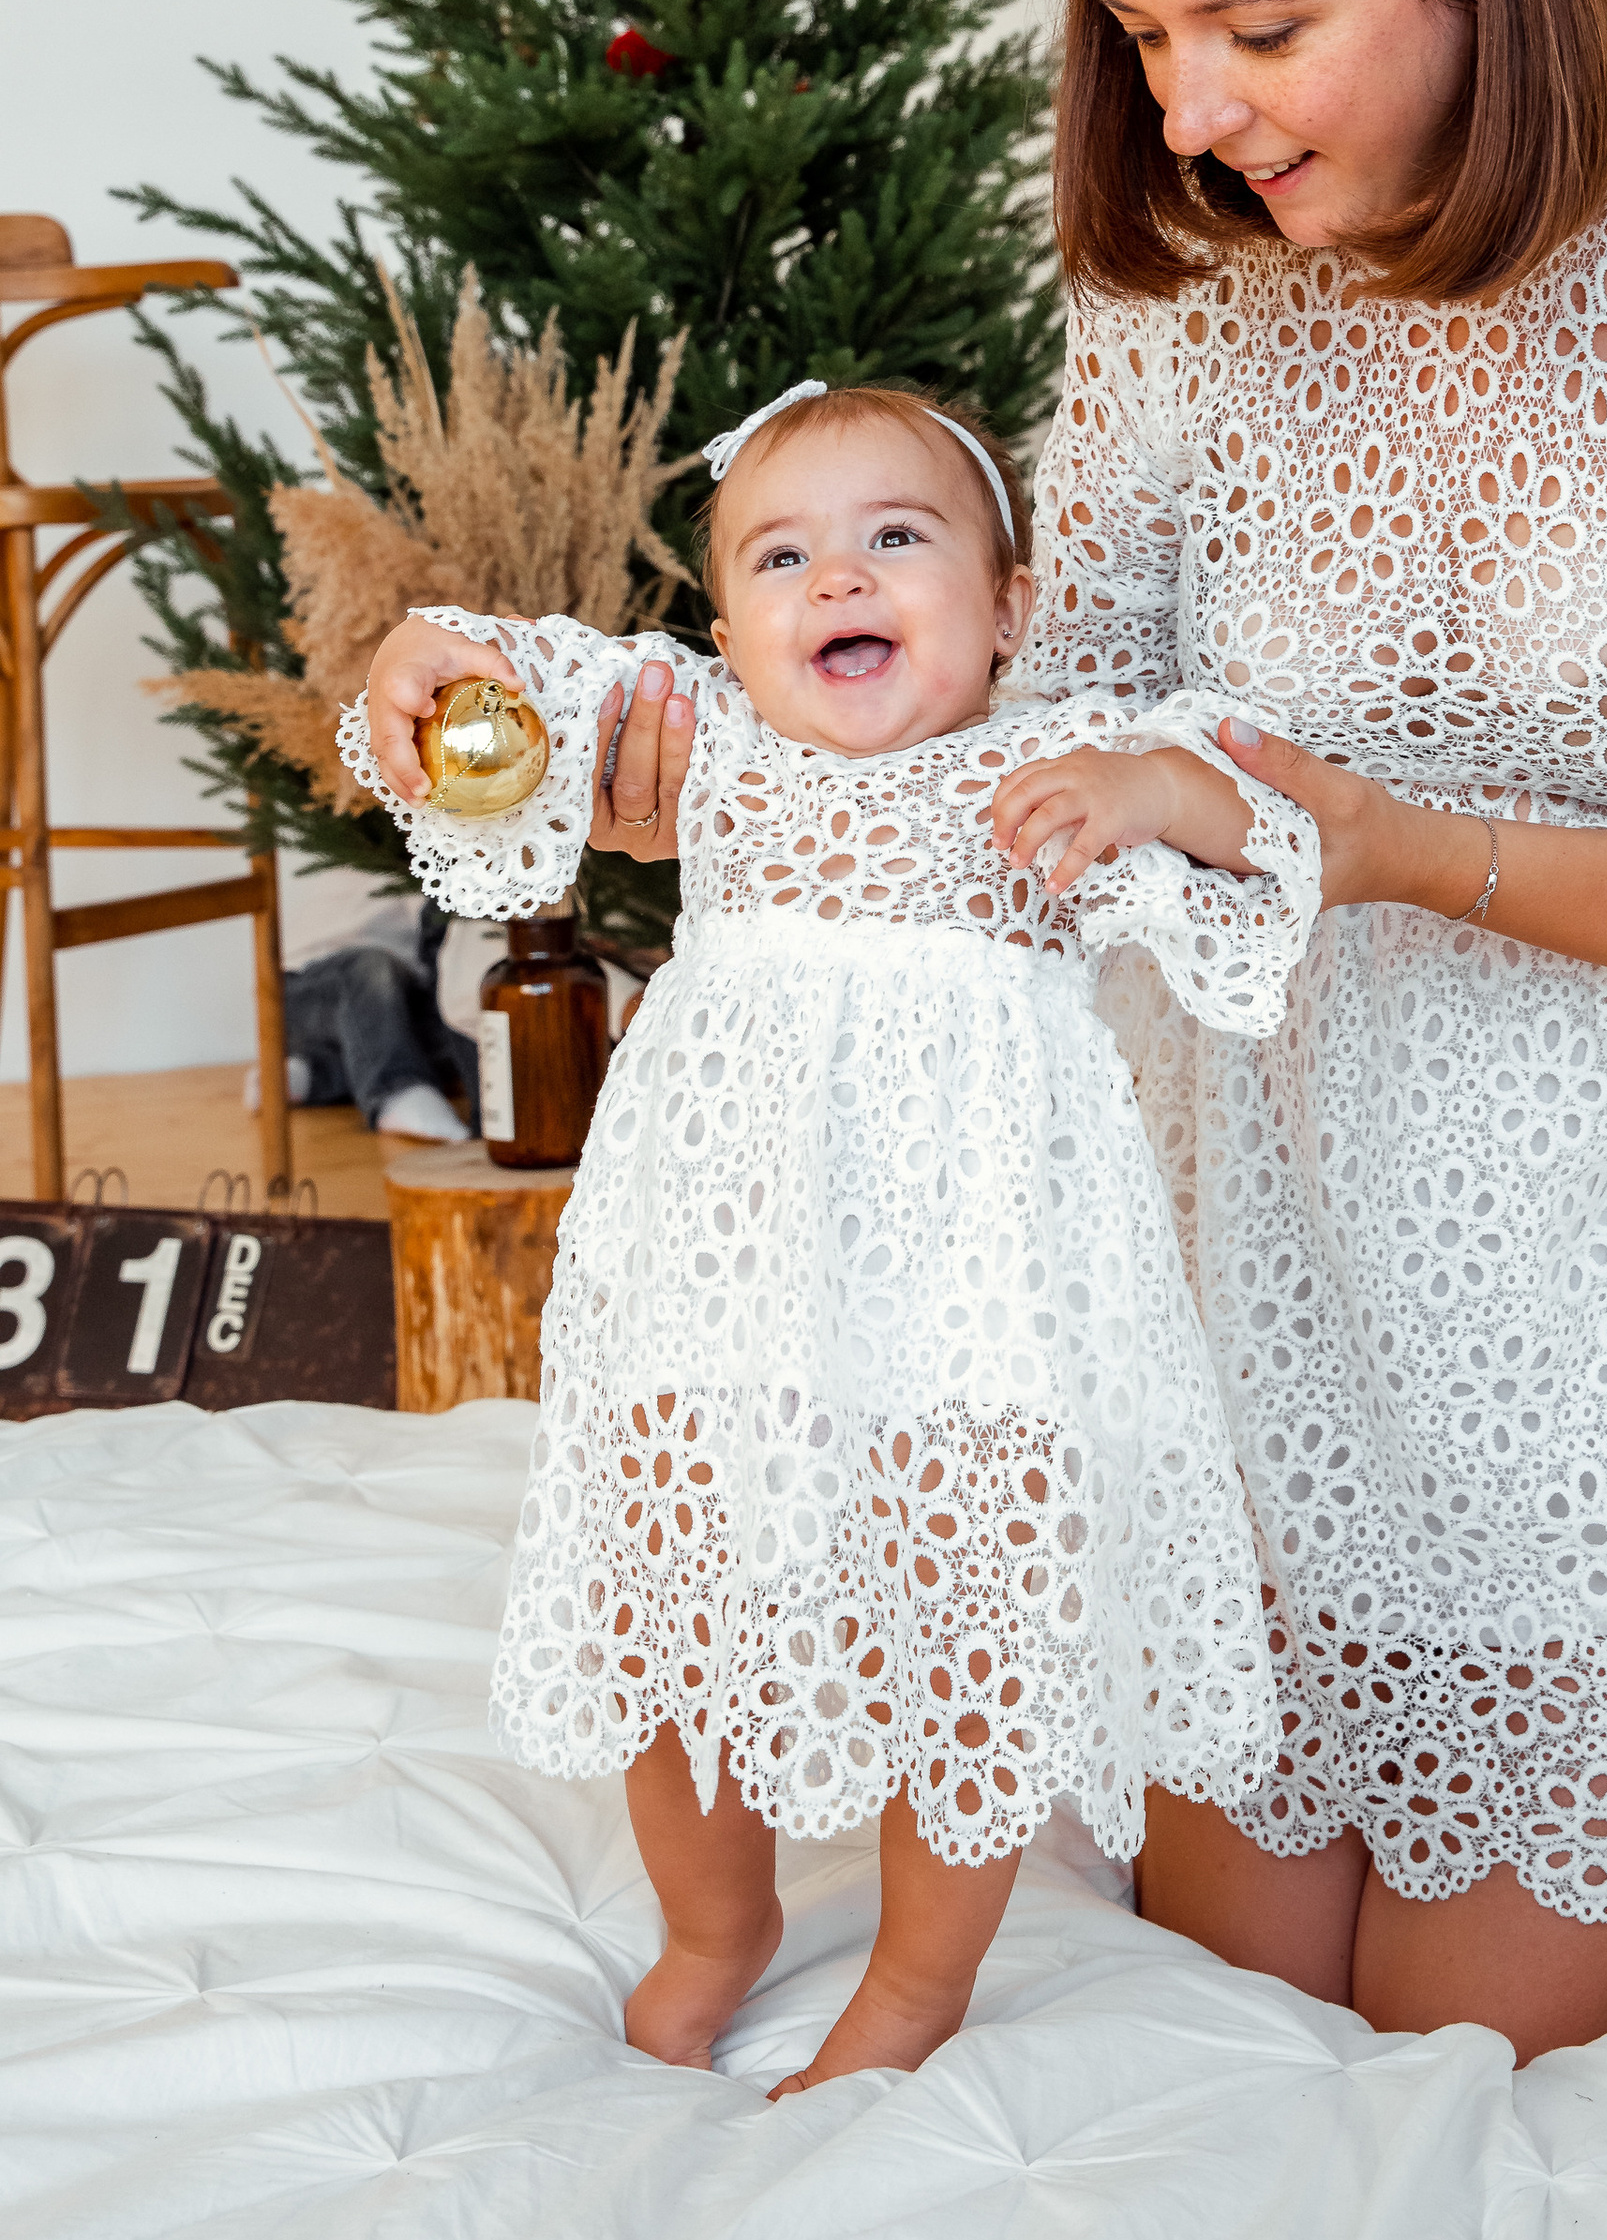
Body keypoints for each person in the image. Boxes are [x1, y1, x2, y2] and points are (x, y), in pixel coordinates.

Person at [591, 0, 1607, 2066]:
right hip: (1253, 1265)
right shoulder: (1182, 294)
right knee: (1226, 2025)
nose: (1188, 108)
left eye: (1258, 30)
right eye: (1142, 36)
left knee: (1461, 2047)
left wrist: (1380, 845)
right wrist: (619, 720)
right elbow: (1027, 735)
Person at [347, 379, 1317, 2088]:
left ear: (1010, 611)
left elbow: (1281, 835)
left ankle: (919, 1987)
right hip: (719, 1278)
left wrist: (1156, 795)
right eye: (784, 557)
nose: (839, 582)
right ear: (729, 627)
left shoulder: (1054, 771)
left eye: (897, 540)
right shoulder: (709, 736)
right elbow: (505, 685)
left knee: (970, 1632)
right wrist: (416, 650)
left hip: (973, 1301)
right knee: (666, 1607)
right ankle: (721, 1927)